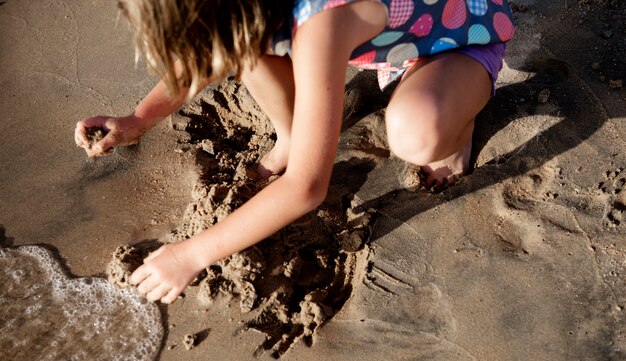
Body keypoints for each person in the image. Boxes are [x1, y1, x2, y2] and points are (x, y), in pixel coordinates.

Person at [75, 0, 514, 304]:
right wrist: (139, 119)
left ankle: (457, 127)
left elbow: (306, 188)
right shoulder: (252, 13)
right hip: (389, 38)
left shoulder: (321, 23)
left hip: (459, 37)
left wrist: (189, 255)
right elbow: (207, 52)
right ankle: (290, 136)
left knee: (416, 135)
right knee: (245, 48)